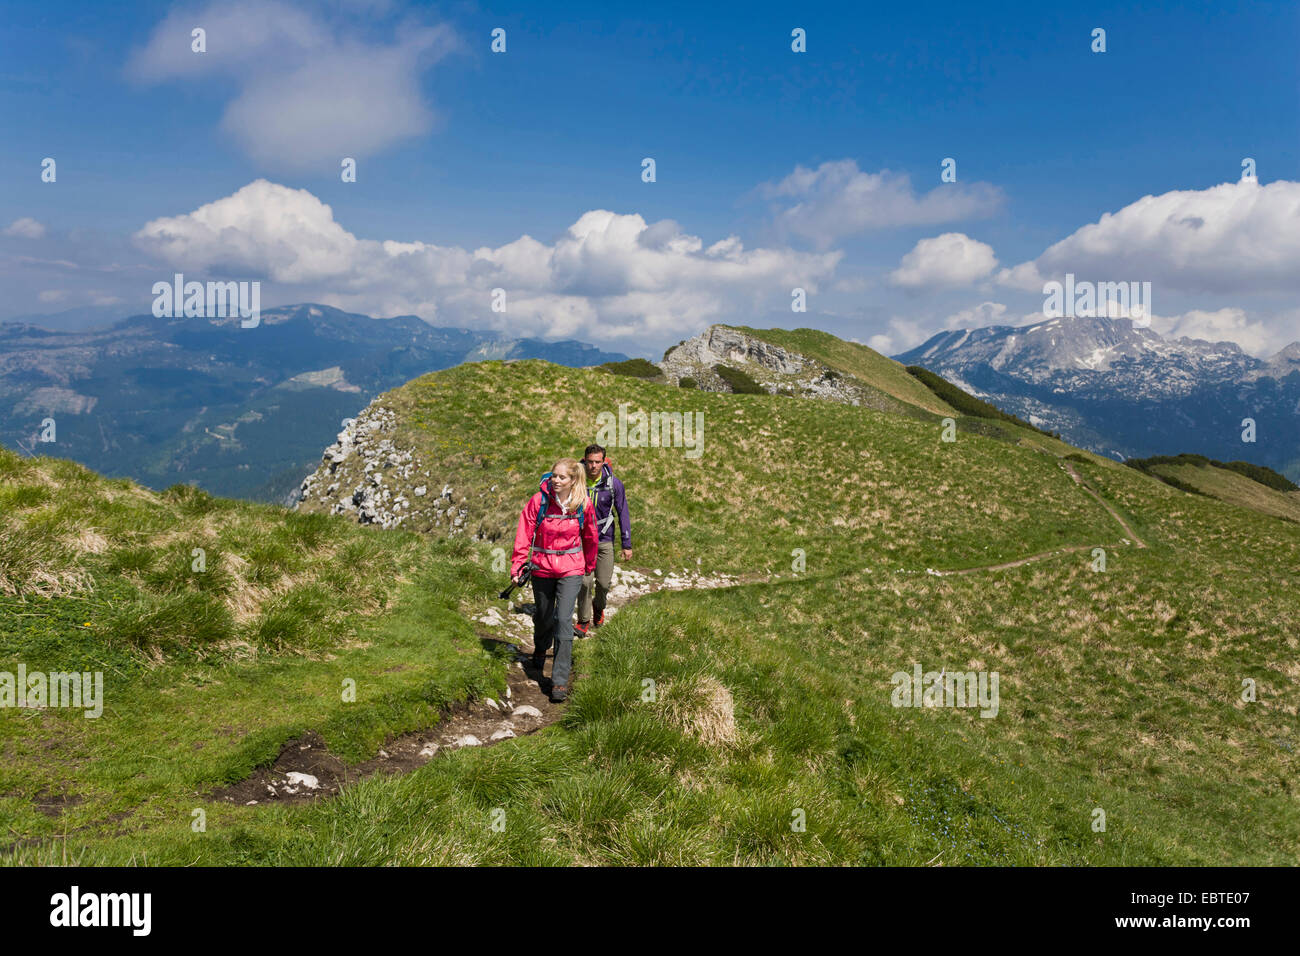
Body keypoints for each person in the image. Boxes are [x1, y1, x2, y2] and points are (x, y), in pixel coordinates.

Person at [511, 458, 597, 702]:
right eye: (554, 476)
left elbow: (590, 535)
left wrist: (589, 565)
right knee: (543, 614)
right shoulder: (539, 501)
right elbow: (524, 532)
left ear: (573, 480)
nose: (556, 480)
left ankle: (559, 680)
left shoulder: (583, 504)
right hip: (541, 567)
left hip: (571, 568)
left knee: (562, 619)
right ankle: (540, 647)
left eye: (562, 477)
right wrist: (518, 564)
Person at [575, 444, 632, 635]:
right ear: (584, 460)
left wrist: (627, 544)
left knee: (604, 583)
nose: (593, 466)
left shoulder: (614, 484)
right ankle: (583, 620)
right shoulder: (576, 481)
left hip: (604, 539)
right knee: (584, 582)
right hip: (581, 541)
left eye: (597, 462)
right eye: (590, 462)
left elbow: (623, 512)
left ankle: (599, 606)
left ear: (603, 462)